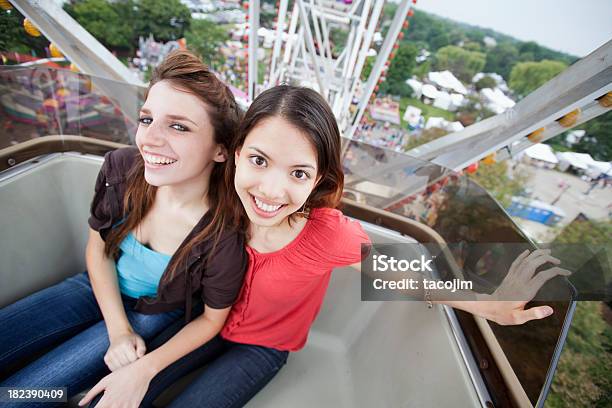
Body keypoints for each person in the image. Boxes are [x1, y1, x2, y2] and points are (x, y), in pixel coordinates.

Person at [107, 85, 569, 408]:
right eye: (259, 160)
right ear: (236, 152)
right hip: (201, 321)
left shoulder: (327, 234)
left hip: (261, 349)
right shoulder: (220, 200)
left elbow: (399, 273)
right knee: (118, 386)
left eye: (298, 173)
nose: (271, 190)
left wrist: (487, 303)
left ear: (318, 180)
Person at [0, 50, 248, 407]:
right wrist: (117, 330)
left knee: (23, 395)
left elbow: (212, 320)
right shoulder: (121, 168)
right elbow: (98, 248)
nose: (150, 139)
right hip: (94, 285)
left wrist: (139, 356)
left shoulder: (222, 233)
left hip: (155, 312)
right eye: (147, 120)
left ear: (221, 150)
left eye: (178, 126)